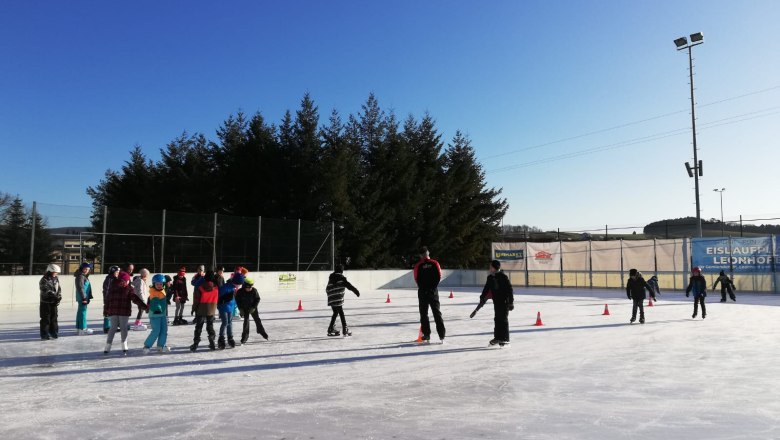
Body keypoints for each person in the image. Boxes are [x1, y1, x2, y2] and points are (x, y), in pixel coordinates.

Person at [470, 260, 514, 346]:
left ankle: (505, 338)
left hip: (504, 302)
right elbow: (486, 289)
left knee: (503, 319)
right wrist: (482, 297)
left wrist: (511, 302)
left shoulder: (503, 277)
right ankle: (498, 338)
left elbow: (510, 290)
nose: (489, 268)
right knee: (497, 319)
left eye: (490, 266)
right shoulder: (490, 278)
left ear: (494, 267)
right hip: (496, 302)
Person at [104, 271, 148, 355]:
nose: (128, 281)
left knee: (113, 328)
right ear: (125, 280)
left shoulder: (113, 287)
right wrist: (145, 306)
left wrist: (106, 311)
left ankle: (108, 346)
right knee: (123, 328)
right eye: (128, 280)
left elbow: (107, 300)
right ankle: (124, 346)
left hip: (113, 311)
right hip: (123, 311)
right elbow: (135, 299)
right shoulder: (128, 288)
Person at [413, 246, 446, 343]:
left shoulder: (418, 265)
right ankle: (441, 335)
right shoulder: (434, 263)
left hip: (423, 292)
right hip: (433, 292)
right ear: (428, 253)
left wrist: (423, 288)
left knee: (424, 314)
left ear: (420, 255)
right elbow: (439, 276)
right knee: (436, 313)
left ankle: (427, 334)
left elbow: (416, 278)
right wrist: (433, 287)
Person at [325, 265, 360, 337]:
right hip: (338, 298)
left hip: (331, 298)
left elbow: (327, 289)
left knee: (335, 312)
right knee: (341, 312)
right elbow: (349, 286)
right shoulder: (342, 278)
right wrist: (356, 292)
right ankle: (345, 329)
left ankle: (331, 328)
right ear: (341, 271)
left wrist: (331, 295)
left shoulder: (331, 278)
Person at [190, 271, 219, 351]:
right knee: (210, 326)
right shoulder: (216, 287)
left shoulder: (200, 287)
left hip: (201, 309)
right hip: (212, 309)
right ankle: (212, 340)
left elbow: (196, 300)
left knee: (199, 327)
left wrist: (193, 309)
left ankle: (195, 343)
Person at [235, 277, 269, 343]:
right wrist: (240, 309)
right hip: (244, 308)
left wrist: (253, 307)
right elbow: (238, 301)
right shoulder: (240, 292)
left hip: (252, 308)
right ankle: (245, 336)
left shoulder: (254, 290)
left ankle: (261, 331)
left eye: (251, 287)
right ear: (244, 286)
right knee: (246, 322)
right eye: (248, 287)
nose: (250, 289)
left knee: (257, 320)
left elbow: (257, 299)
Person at [143, 274, 170, 353]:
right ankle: (147, 346)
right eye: (157, 284)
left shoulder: (163, 290)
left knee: (164, 331)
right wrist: (158, 309)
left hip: (162, 314)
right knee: (156, 330)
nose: (159, 285)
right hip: (155, 315)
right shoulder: (153, 292)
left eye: (161, 284)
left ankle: (161, 346)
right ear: (154, 284)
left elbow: (168, 292)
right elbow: (155, 302)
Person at [217, 272, 244, 349]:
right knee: (225, 322)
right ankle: (221, 338)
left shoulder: (234, 288)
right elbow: (218, 299)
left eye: (240, 284)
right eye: (238, 284)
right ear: (235, 282)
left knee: (230, 322)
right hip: (223, 308)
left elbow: (234, 299)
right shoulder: (225, 287)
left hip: (231, 308)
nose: (239, 286)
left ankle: (230, 337)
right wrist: (221, 304)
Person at [39, 264, 62, 340]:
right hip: (46, 302)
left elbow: (58, 288)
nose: (56, 274)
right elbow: (44, 289)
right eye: (55, 272)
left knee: (54, 318)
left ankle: (54, 332)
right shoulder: (44, 279)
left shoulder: (56, 278)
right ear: (50, 271)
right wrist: (53, 295)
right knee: (46, 319)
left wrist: (59, 296)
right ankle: (44, 334)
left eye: (57, 272)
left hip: (53, 302)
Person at [74, 262, 94, 335]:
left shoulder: (82, 276)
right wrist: (84, 298)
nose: (87, 270)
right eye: (85, 269)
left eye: (88, 269)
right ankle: (83, 328)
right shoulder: (81, 276)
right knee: (83, 312)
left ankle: (79, 328)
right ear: (82, 269)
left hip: (83, 296)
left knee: (80, 312)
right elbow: (80, 288)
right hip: (83, 297)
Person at [102, 266, 121, 333]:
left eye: (118, 272)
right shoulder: (109, 279)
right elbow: (106, 290)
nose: (117, 273)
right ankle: (107, 327)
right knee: (108, 313)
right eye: (116, 272)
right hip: (109, 299)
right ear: (112, 272)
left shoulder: (116, 279)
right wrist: (107, 299)